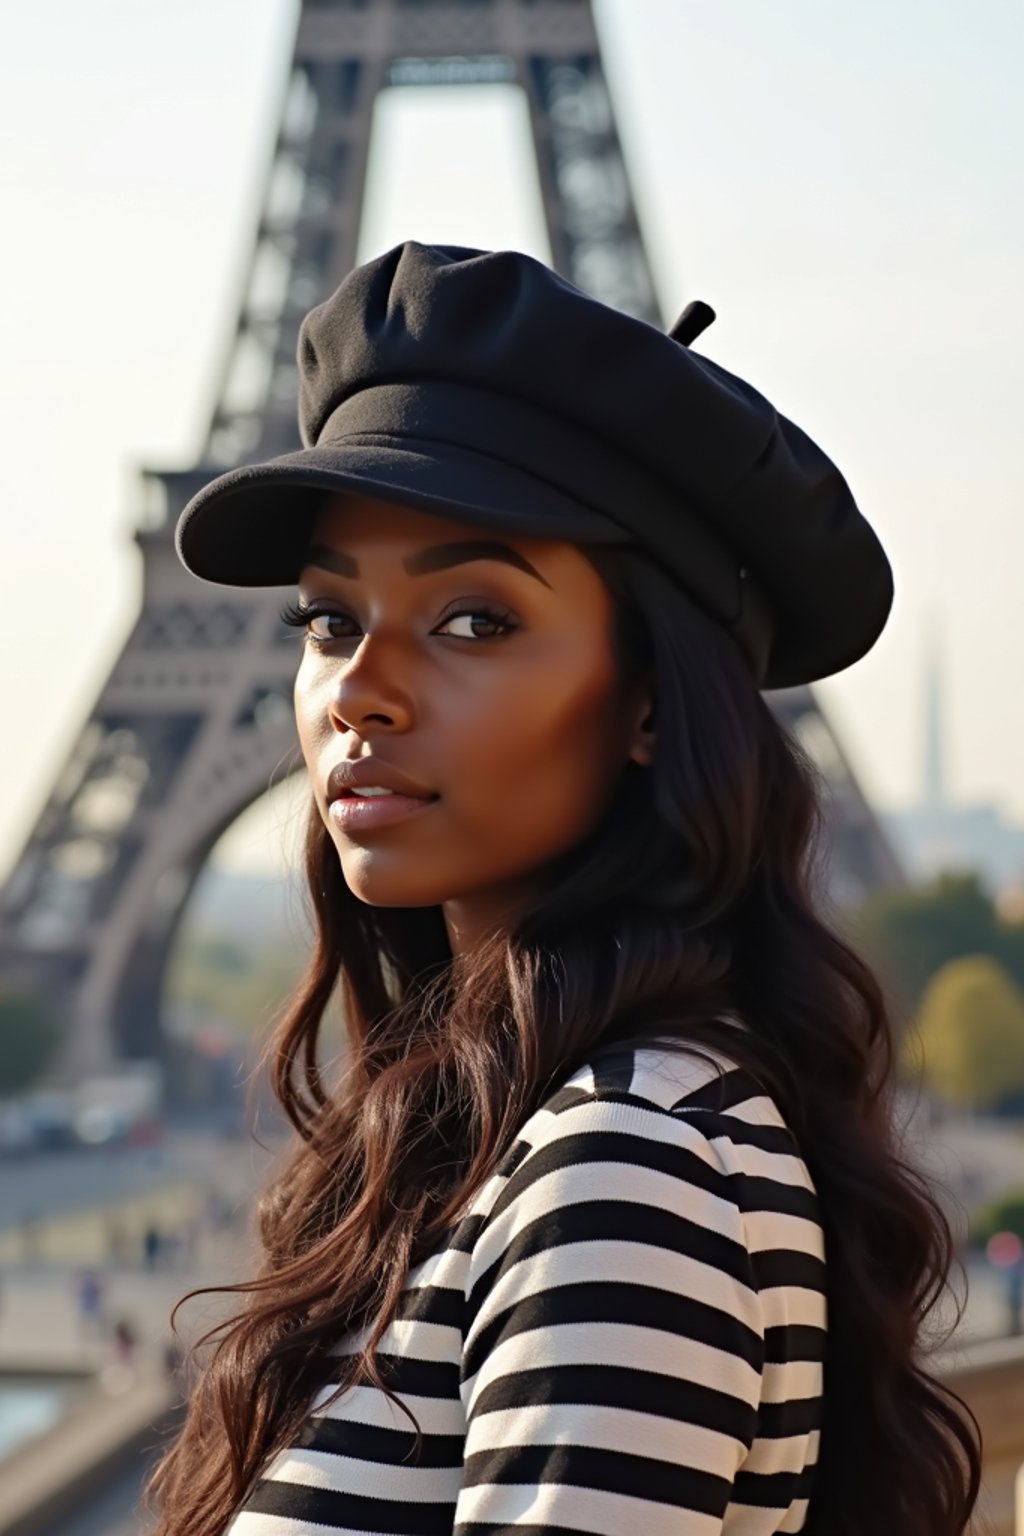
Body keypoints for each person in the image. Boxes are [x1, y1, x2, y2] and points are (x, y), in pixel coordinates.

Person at [146, 243, 981, 1536]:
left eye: (473, 618)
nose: (359, 686)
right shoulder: (536, 1138)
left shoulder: (624, 1165)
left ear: (648, 699)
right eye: (326, 619)